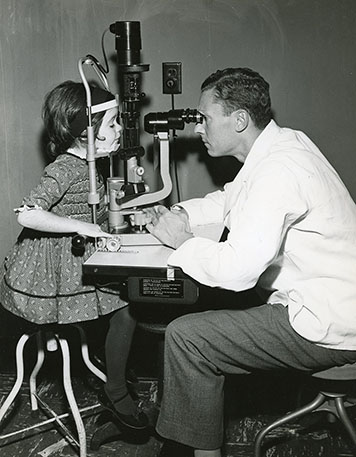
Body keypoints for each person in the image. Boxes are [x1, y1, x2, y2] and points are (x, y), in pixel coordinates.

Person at [144, 68, 356, 457]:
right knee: (204, 312)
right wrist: (181, 215)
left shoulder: (278, 169)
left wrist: (183, 242)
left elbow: (239, 272)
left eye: (206, 118)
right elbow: (230, 199)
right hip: (331, 297)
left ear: (239, 120)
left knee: (188, 337)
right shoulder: (283, 144)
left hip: (328, 318)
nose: (199, 129)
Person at [0, 80, 148, 432]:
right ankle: (114, 385)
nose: (119, 129)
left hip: (75, 260)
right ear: (88, 132)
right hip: (51, 270)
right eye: (112, 124)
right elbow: (27, 213)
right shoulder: (65, 168)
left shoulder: (92, 165)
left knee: (126, 307)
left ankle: (111, 375)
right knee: (127, 308)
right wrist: (82, 228)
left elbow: (89, 211)